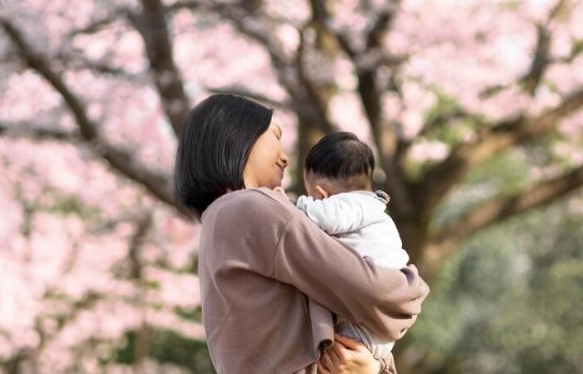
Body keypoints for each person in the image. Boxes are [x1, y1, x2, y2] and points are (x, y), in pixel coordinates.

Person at [174, 94, 429, 374]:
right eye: (275, 135)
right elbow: (377, 293)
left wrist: (372, 367)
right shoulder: (252, 207)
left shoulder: (219, 220)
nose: (285, 157)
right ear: (239, 136)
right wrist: (411, 286)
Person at [293, 132, 410, 360]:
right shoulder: (371, 208)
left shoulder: (347, 206)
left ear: (320, 193)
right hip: (379, 325)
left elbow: (324, 218)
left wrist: (294, 204)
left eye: (312, 196)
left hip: (361, 324)